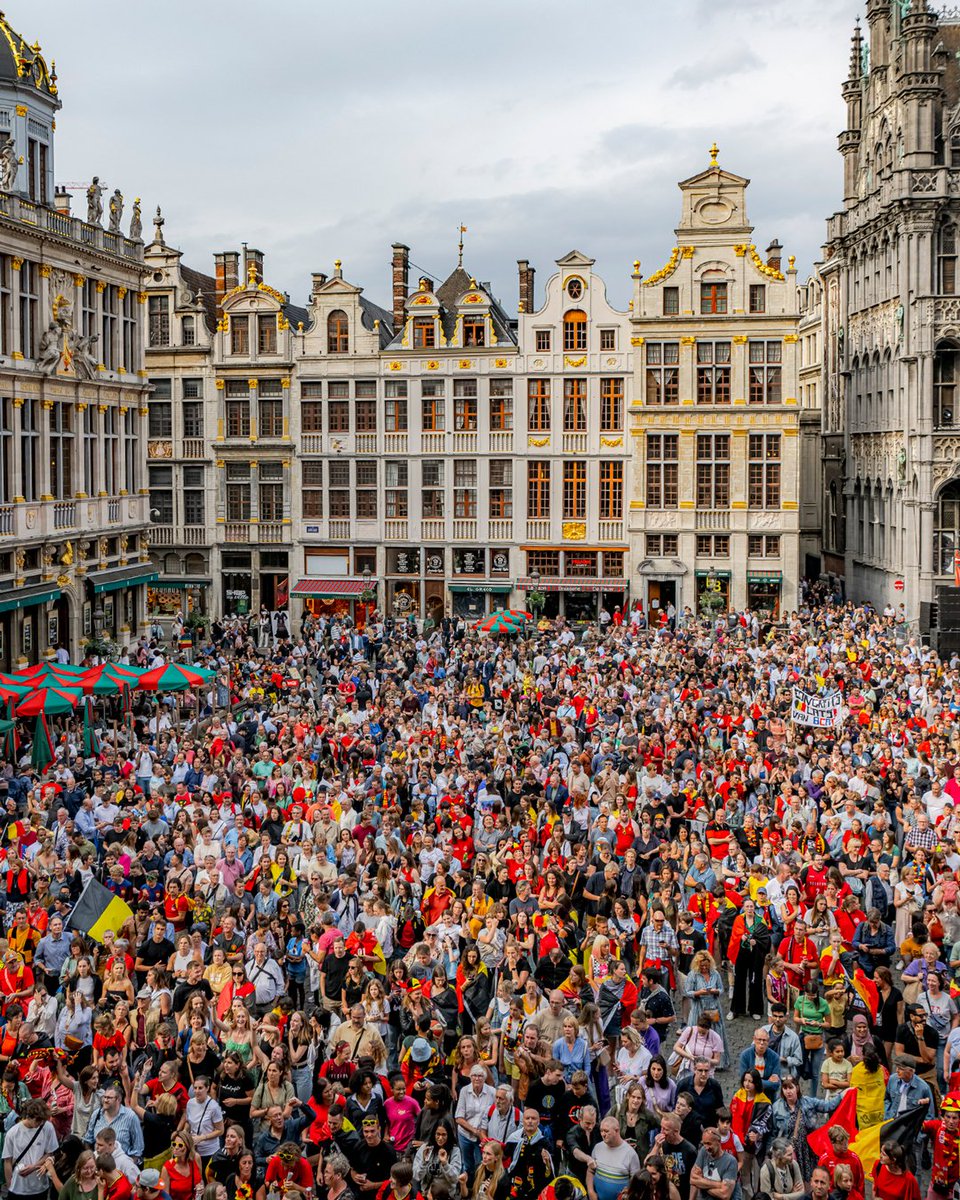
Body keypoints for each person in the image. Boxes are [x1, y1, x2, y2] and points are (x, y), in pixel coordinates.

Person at [587, 1117, 640, 1200]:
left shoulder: (630, 1154)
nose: (603, 1134)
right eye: (601, 1131)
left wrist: (628, 1194)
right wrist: (590, 1192)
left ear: (617, 1130)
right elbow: (590, 1171)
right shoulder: (597, 1148)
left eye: (606, 1131)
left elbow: (636, 1183)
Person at [688, 1126, 741, 1200]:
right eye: (704, 1143)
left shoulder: (731, 1161)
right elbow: (692, 1179)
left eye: (709, 1144)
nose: (706, 1147)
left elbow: (725, 1195)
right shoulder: (703, 1151)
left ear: (719, 1142)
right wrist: (718, 1184)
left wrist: (701, 1184)